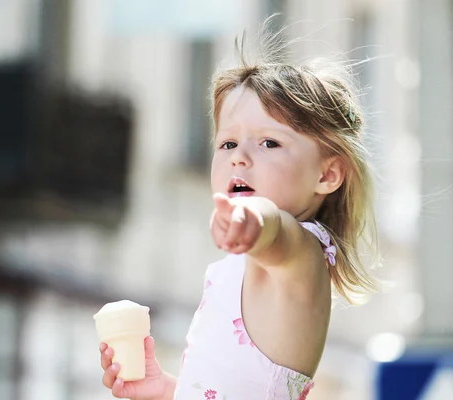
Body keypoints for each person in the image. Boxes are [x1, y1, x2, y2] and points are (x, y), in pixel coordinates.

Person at [99, 23, 380, 400]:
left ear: (327, 174)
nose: (239, 158)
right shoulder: (244, 266)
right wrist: (167, 390)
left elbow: (276, 231)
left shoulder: (302, 254)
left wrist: (252, 221)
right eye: (228, 142)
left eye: (269, 142)